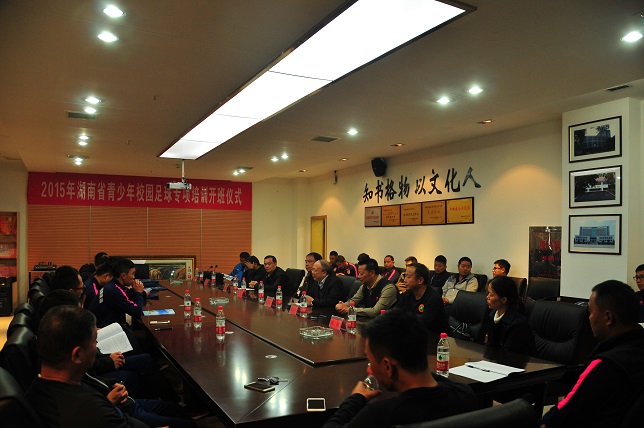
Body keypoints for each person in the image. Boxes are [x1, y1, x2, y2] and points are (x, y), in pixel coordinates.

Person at [323, 310, 477, 427]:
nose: (370, 370)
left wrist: (356, 398)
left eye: (370, 362)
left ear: (388, 366)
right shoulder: (465, 395)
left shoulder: (379, 415)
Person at [540, 280, 644, 428]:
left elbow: (560, 417)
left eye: (591, 312)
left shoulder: (603, 366)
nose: (589, 318)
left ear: (608, 318)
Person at [26, 305, 148, 428]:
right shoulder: (93, 412)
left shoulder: (38, 389)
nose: (97, 346)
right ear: (77, 355)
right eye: (95, 341)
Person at [89, 257, 147, 328]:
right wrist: (138, 293)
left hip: (104, 325)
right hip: (102, 329)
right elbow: (137, 312)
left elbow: (127, 297)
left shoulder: (113, 285)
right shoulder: (113, 291)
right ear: (124, 276)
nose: (134, 277)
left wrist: (139, 292)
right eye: (133, 274)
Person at [484, 276, 535, 355]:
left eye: (491, 294)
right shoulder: (492, 315)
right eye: (488, 293)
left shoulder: (518, 324)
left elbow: (509, 354)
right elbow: (490, 346)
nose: (487, 297)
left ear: (503, 300)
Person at [396, 262, 448, 334]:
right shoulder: (407, 294)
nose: (405, 280)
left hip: (434, 336)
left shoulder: (433, 298)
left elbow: (423, 324)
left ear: (420, 280)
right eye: (405, 276)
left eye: (408, 277)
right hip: (412, 332)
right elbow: (396, 312)